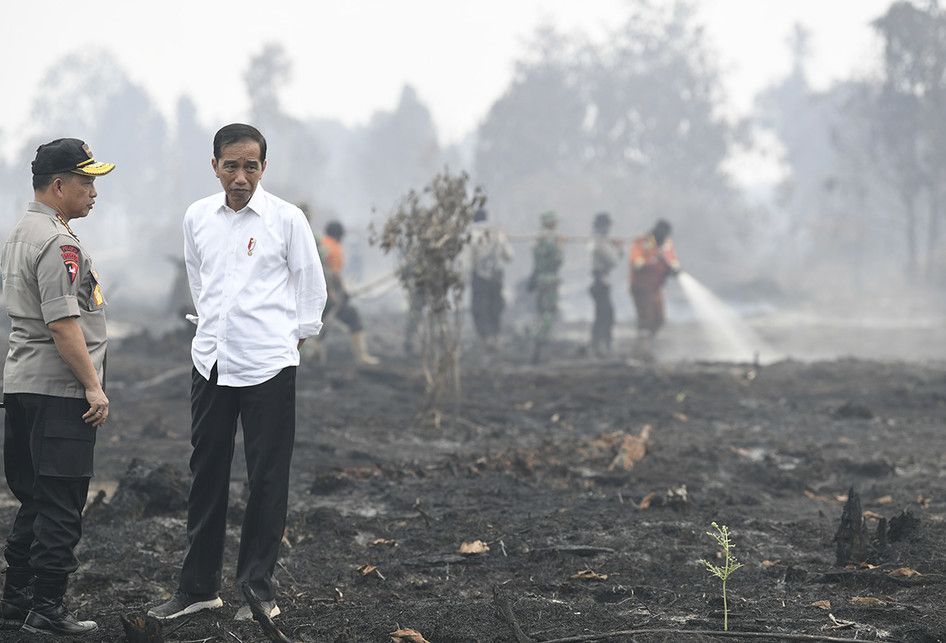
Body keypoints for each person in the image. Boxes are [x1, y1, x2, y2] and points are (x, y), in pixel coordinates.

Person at [148, 124, 327, 622]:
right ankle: (199, 587)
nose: (241, 176)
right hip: (210, 362)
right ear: (215, 166)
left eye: (251, 166)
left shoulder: (287, 220)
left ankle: (257, 590)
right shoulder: (197, 217)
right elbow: (199, 279)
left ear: (263, 168)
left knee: (267, 479)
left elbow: (311, 290)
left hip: (269, 365)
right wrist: (213, 332)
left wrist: (288, 340)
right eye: (232, 165)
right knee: (207, 474)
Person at [0, 138, 114, 635]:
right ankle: (48, 609)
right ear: (59, 184)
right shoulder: (58, 242)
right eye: (87, 182)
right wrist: (93, 386)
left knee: (35, 498)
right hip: (58, 390)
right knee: (64, 502)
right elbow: (64, 323)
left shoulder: (22, 231)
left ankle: (15, 599)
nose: (94, 192)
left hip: (22, 384)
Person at [314, 220, 379, 365]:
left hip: (315, 295)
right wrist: (343, 292)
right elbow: (335, 274)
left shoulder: (322, 244)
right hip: (329, 296)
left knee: (319, 323)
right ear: (339, 235)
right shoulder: (335, 248)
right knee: (353, 316)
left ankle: (316, 353)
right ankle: (361, 356)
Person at [629, 219, 680, 356]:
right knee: (646, 318)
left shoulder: (666, 244)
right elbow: (636, 262)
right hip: (641, 287)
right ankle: (641, 351)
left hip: (656, 287)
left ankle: (646, 345)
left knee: (659, 319)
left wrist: (674, 268)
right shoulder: (643, 242)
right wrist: (652, 260)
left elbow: (672, 260)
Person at [467, 208, 513, 350]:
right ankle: (495, 335)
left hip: (479, 277)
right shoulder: (498, 233)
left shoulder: (471, 235)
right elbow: (509, 256)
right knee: (495, 306)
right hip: (496, 276)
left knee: (480, 308)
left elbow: (467, 260)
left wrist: (464, 277)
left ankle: (486, 337)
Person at [528, 211, 563, 363]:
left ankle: (538, 345)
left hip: (541, 279)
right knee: (548, 314)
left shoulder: (538, 239)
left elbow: (536, 263)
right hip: (549, 280)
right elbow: (557, 260)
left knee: (542, 313)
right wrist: (560, 246)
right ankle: (540, 344)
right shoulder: (551, 239)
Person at [589, 212, 620, 357]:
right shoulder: (599, 242)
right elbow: (613, 260)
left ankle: (600, 346)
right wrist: (618, 249)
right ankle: (600, 347)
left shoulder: (600, 241)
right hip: (600, 281)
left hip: (601, 281)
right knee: (605, 316)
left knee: (603, 315)